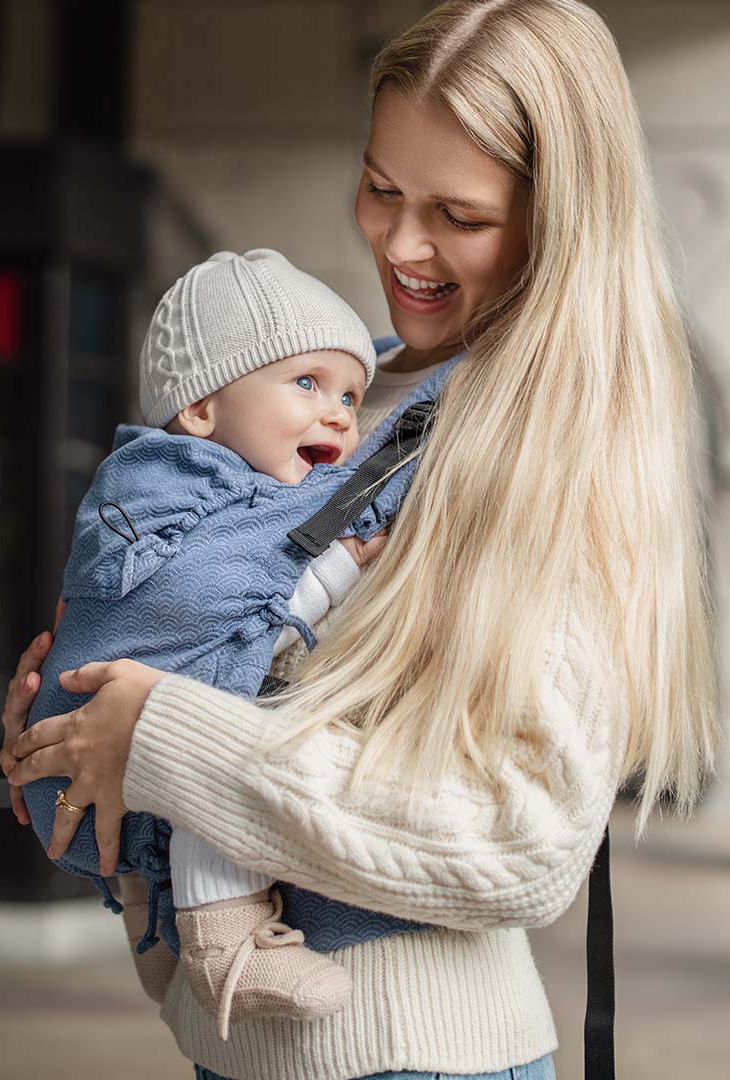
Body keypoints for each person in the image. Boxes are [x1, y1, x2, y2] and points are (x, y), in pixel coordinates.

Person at [1, 2, 720, 1078]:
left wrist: (163, 738)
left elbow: (521, 846)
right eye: (382, 188)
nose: (397, 242)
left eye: (457, 216)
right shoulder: (352, 387)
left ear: (557, 223)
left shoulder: (557, 455)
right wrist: (80, 713)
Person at [24, 247, 441, 1040]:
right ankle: (226, 941)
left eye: (352, 396)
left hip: (96, 764)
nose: (340, 414)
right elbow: (217, 602)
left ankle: (157, 920)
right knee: (219, 753)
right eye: (308, 384)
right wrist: (342, 566)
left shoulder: (218, 482)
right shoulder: (167, 484)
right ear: (203, 412)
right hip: (89, 747)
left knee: (200, 740)